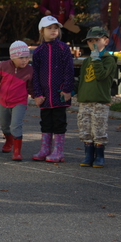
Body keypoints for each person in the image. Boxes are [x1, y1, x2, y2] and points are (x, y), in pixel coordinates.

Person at [32, 16, 75, 163]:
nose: (53, 30)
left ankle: (58, 151)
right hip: (44, 95)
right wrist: (37, 94)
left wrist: (67, 88)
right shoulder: (38, 52)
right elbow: (35, 75)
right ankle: (45, 149)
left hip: (59, 94)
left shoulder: (63, 48)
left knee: (59, 121)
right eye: (49, 28)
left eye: (55, 28)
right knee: (46, 122)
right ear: (41, 31)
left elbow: (69, 70)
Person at [76, 27, 117, 168]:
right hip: (85, 100)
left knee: (98, 129)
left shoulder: (109, 60)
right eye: (90, 41)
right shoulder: (87, 61)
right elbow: (82, 80)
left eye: (97, 40)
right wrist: (73, 91)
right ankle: (88, 154)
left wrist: (96, 58)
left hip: (100, 101)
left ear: (105, 41)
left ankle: (99, 156)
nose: (93, 44)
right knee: (85, 128)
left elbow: (100, 75)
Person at [0, 41, 33, 161]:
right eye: (21, 58)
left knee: (15, 125)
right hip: (4, 101)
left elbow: (31, 86)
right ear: (13, 57)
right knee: (5, 126)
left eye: (27, 57)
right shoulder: (3, 66)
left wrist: (37, 96)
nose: (25, 60)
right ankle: (9, 142)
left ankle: (17, 151)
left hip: (19, 102)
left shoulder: (29, 70)